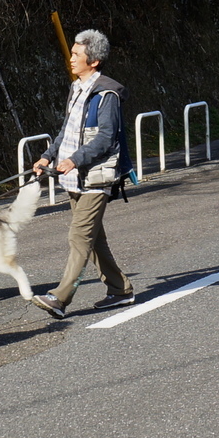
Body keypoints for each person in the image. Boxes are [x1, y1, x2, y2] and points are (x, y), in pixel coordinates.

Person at [30, 30, 136, 318]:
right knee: (94, 240)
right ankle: (120, 290)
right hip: (75, 177)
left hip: (96, 178)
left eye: (77, 54)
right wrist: (47, 156)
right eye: (72, 53)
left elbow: (105, 138)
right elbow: (67, 130)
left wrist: (74, 160)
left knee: (79, 237)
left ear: (95, 61)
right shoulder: (77, 88)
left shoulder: (107, 95)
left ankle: (60, 298)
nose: (71, 58)